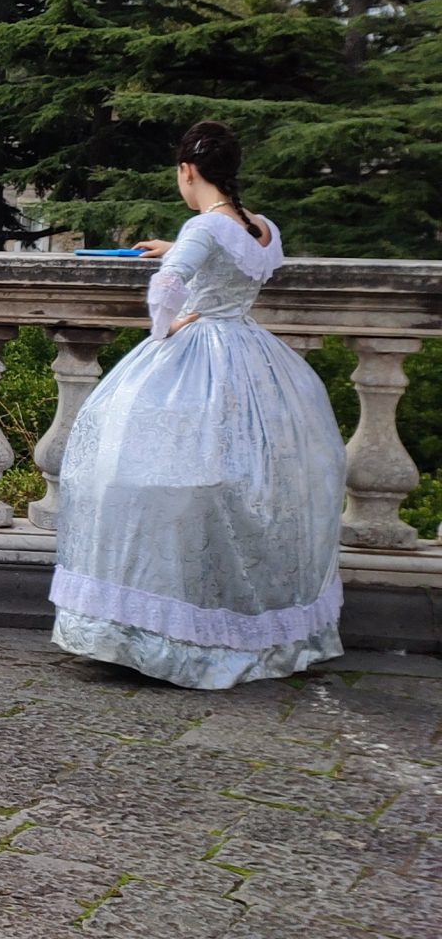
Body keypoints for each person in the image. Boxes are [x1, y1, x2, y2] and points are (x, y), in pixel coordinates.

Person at [49, 120, 347, 689]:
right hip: (253, 355)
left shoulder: (202, 226)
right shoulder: (263, 228)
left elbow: (167, 286)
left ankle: (159, 634)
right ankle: (249, 625)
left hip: (202, 351)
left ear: (187, 171)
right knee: (246, 487)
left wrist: (165, 328)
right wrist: (185, 249)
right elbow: (239, 261)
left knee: (130, 476)